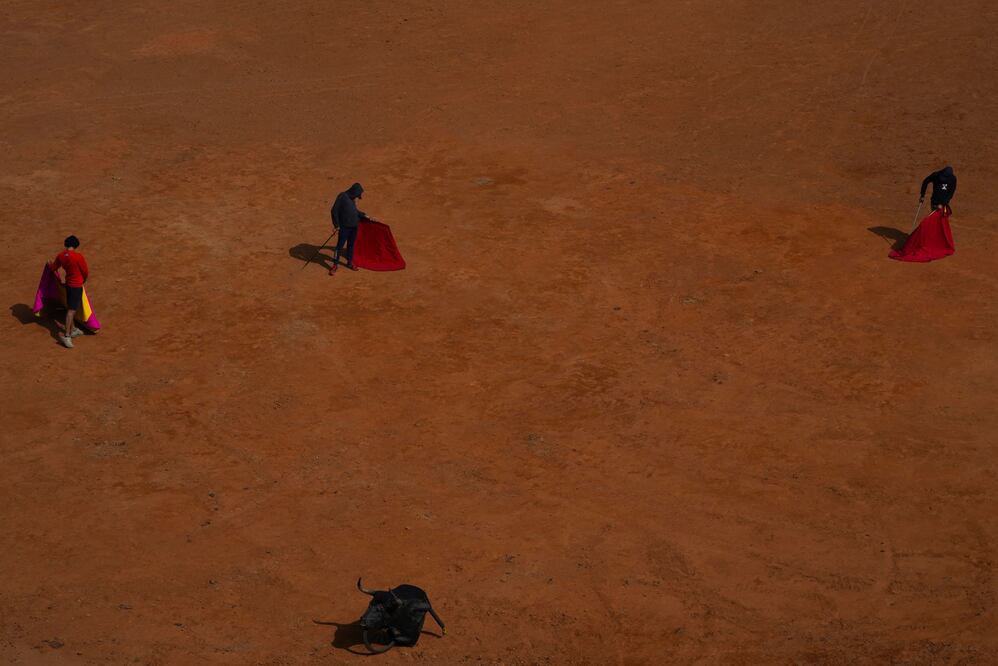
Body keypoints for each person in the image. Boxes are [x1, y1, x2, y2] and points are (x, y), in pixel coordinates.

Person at [50, 235, 89, 349]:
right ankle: (67, 336)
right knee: (71, 310)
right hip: (76, 286)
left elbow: (53, 268)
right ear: (76, 245)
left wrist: (49, 264)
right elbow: (85, 272)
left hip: (68, 285)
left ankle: (73, 329)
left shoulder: (61, 256)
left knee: (70, 307)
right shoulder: (78, 256)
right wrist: (83, 281)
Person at [329, 182, 372, 274]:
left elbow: (355, 212)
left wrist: (364, 215)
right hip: (344, 228)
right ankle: (335, 265)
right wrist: (336, 225)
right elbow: (334, 210)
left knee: (351, 246)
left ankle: (349, 263)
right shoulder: (342, 196)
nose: (358, 197)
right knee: (339, 247)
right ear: (353, 192)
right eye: (358, 195)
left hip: (354, 227)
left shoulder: (352, 199)